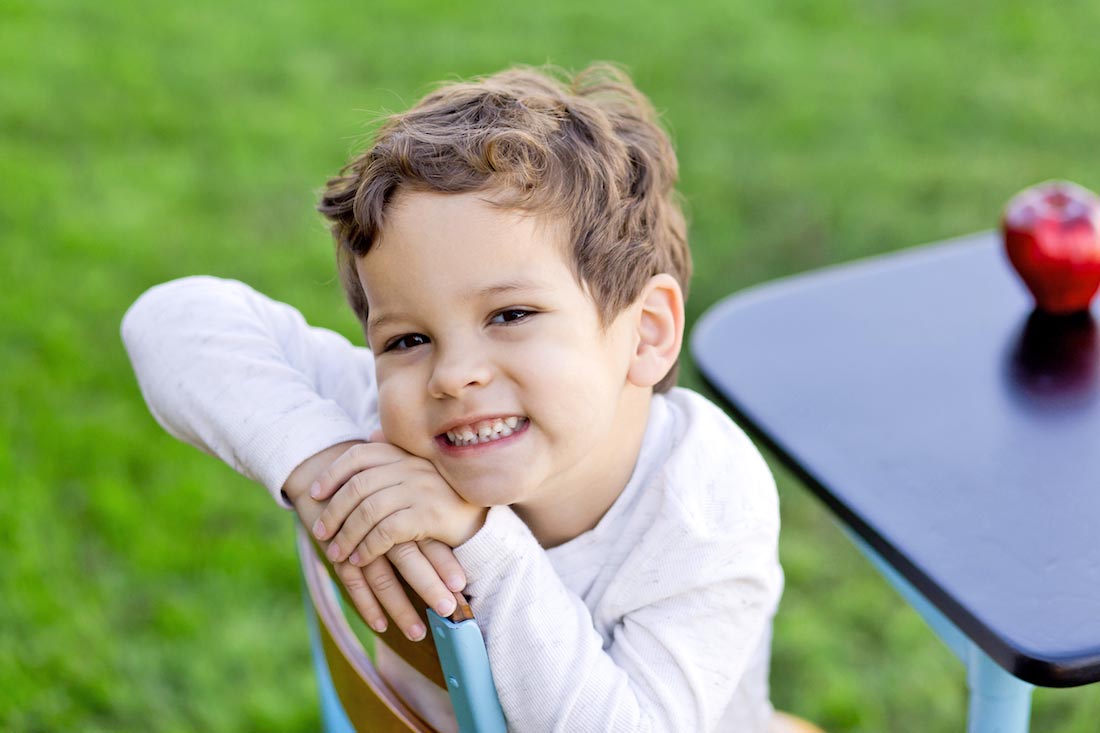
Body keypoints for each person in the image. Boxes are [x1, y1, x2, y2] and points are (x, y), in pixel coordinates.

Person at [122, 63, 783, 731]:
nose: (451, 375)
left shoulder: (705, 507)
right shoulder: (388, 445)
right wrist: (330, 468)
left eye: (511, 315)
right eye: (407, 338)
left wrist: (481, 542)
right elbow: (168, 318)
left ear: (646, 332)